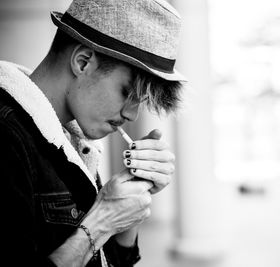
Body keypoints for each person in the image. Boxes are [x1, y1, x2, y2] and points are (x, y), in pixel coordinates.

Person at [0, 0, 185, 266]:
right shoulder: (8, 137)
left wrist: (129, 202)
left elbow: (106, 260)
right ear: (83, 61)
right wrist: (102, 221)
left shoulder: (70, 139)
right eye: (128, 93)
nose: (131, 115)